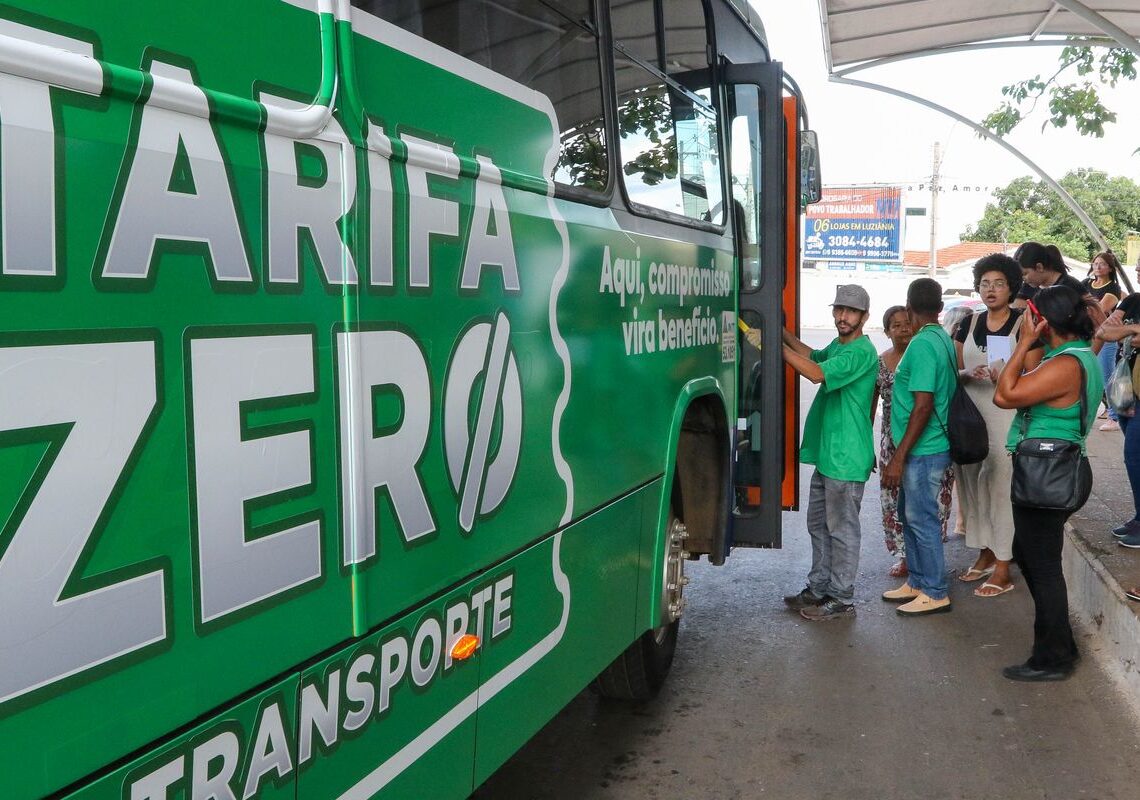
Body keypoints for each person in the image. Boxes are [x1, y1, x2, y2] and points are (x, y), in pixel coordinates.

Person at [993, 284, 1102, 681]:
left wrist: (1023, 343)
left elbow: (1005, 395)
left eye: (1029, 313)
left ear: (1040, 320)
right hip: (1057, 469)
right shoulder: (1075, 357)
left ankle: (1052, 658)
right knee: (1031, 554)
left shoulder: (1064, 365)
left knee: (1043, 567)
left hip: (1048, 472)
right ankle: (1061, 642)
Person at [781, 284, 878, 621]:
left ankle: (841, 597)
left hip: (846, 458)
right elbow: (814, 356)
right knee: (819, 526)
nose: (842, 316)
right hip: (830, 455)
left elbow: (815, 373)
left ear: (864, 317)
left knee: (842, 530)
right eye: (839, 309)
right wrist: (782, 335)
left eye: (850, 312)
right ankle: (819, 587)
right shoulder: (839, 346)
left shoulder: (861, 352)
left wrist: (774, 348)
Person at [880, 278, 957, 616]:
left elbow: (923, 404)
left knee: (921, 519)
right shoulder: (941, 337)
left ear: (909, 309)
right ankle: (918, 581)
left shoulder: (924, 344)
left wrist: (898, 456)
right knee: (908, 516)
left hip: (924, 449)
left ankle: (935, 590)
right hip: (923, 447)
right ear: (939, 308)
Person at [952, 254, 1023, 597]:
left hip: (1005, 417)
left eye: (998, 283)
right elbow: (951, 370)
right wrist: (968, 373)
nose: (990, 290)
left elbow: (1032, 373)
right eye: (985, 284)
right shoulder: (967, 322)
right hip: (969, 416)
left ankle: (1005, 565)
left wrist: (1005, 374)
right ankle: (985, 552)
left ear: (1011, 287)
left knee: (999, 489)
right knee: (971, 486)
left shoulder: (1023, 325)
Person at [1095, 273, 1140, 554]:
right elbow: (1104, 332)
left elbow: (1116, 330)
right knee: (1133, 455)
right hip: (1127, 390)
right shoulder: (1133, 300)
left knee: (1134, 454)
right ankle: (1139, 517)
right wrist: (1135, 330)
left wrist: (1127, 329)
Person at [871, 305, 913, 578]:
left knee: (925, 502)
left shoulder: (922, 357)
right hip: (890, 441)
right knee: (893, 500)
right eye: (895, 325)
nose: (903, 329)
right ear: (887, 332)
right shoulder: (880, 362)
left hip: (925, 438)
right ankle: (903, 556)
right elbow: (870, 405)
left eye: (907, 323)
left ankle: (924, 555)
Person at [1081, 251, 1126, 430]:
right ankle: (1098, 411)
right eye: (1096, 263)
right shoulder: (1085, 283)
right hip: (1087, 335)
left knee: (1108, 377)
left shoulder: (1112, 287)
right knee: (1088, 376)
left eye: (1102, 264)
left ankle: (1115, 417)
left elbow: (1099, 309)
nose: (1098, 267)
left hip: (1106, 337)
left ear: (1110, 268)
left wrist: (1085, 305)